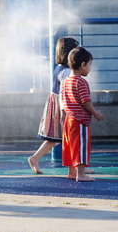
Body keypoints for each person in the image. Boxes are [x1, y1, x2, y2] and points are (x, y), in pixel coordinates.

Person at [29, 36, 83, 174]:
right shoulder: (65, 71)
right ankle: (77, 167)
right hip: (62, 107)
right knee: (70, 137)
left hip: (57, 105)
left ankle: (36, 158)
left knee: (55, 138)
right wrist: (67, 111)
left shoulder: (59, 68)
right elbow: (65, 93)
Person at [61, 47, 104, 182]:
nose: (90, 68)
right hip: (79, 121)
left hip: (69, 119)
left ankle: (71, 172)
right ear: (82, 65)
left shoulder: (65, 81)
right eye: (89, 65)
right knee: (81, 146)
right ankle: (81, 174)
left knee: (69, 146)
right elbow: (86, 102)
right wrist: (96, 114)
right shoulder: (81, 82)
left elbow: (62, 100)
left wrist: (63, 115)